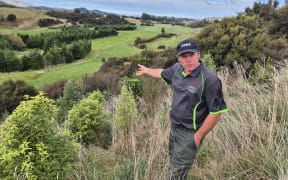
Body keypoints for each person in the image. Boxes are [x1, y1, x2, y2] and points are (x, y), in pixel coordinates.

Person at [136, 39, 228, 179]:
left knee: (174, 176)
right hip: (174, 129)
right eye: (184, 56)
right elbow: (162, 72)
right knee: (174, 163)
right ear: (179, 58)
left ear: (198, 54)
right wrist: (147, 70)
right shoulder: (177, 69)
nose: (188, 60)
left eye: (191, 55)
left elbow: (216, 112)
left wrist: (198, 136)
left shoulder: (209, 79)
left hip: (189, 134)